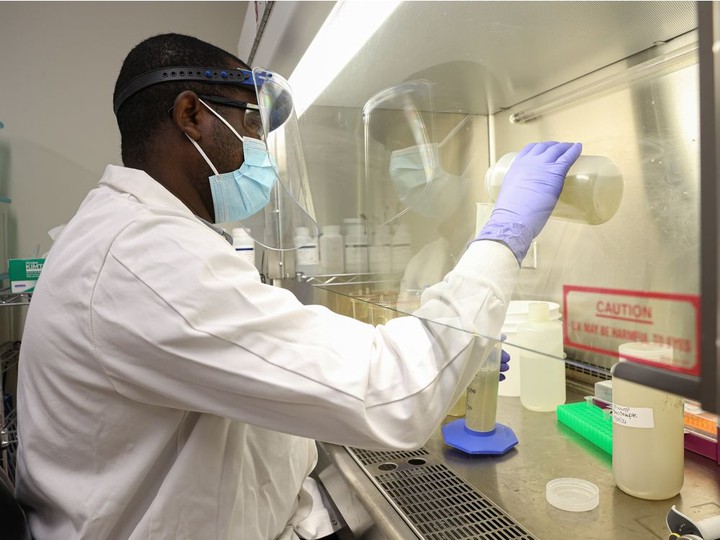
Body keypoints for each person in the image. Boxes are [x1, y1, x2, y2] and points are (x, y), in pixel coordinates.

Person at [14, 33, 582, 540]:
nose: (261, 149)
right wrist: (504, 237)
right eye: (254, 124)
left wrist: (459, 346)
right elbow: (397, 396)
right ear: (192, 114)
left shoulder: (139, 236)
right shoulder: (144, 260)